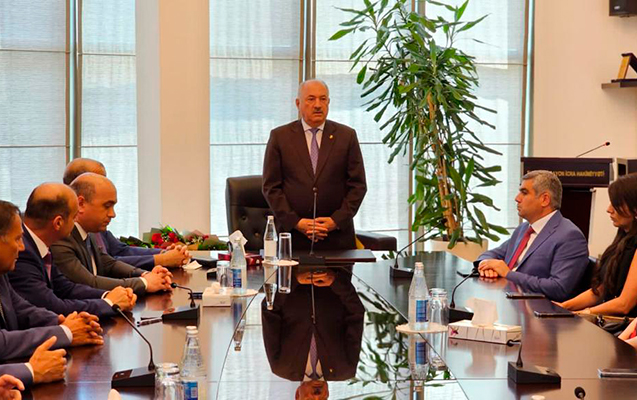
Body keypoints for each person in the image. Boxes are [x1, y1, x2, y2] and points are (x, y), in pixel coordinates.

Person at [0, 201, 102, 386]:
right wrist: (65, 333)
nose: (22, 247)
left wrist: (60, 322)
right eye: (17, 239)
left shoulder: (2, 274)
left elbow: (21, 308)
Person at [262, 79, 367, 251]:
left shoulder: (346, 136)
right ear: (298, 103)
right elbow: (271, 187)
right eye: (311, 99)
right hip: (293, 238)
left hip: (337, 237)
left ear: (328, 102)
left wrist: (336, 221)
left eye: (323, 99)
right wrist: (296, 222)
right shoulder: (280, 137)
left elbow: (358, 185)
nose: (318, 105)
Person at [10, 183, 136, 318]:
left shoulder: (39, 244)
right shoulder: (22, 253)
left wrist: (108, 295)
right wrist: (110, 303)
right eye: (74, 216)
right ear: (58, 223)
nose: (76, 221)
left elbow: (65, 288)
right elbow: (53, 307)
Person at [476, 170, 589, 301]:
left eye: (524, 193)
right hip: (508, 300)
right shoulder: (524, 228)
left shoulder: (570, 236)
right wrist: (485, 264)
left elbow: (558, 288)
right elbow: (493, 254)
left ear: (544, 200)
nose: (517, 198)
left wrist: (508, 274)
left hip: (537, 309)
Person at [51, 173, 172, 295]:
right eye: (107, 206)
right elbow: (88, 283)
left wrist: (145, 274)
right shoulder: (61, 238)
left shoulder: (89, 232)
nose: (112, 214)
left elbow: (109, 264)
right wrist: (144, 283)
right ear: (81, 204)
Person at [63, 158, 190, 270]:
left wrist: (164, 253)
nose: (112, 214)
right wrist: (161, 260)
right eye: (99, 180)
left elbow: (122, 251)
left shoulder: (94, 226)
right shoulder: (64, 234)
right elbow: (107, 265)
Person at [262, 267, 364, 400]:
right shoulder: (345, 368)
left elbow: (269, 310)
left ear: (297, 395)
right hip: (336, 267)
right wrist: (336, 281)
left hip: (292, 267)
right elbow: (356, 313)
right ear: (327, 395)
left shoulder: (281, 366)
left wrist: (292, 280)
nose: (316, 395)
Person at [559, 173, 637, 316]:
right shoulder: (622, 239)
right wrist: (563, 307)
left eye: (616, 204)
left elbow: (624, 304)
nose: (609, 209)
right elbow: (599, 291)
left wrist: (581, 313)